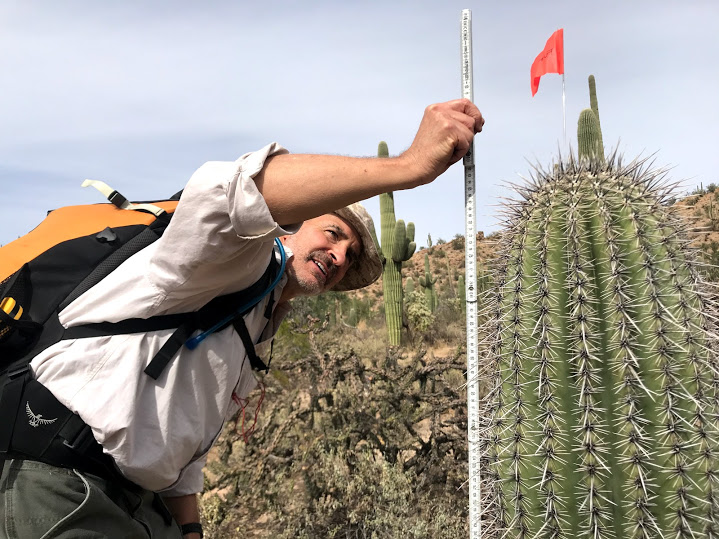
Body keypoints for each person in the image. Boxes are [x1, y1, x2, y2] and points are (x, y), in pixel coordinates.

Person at [0, 99, 484, 538]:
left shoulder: (259, 323)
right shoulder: (236, 260)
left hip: (134, 504)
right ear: (293, 224)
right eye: (332, 233)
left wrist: (190, 529)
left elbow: (185, 436)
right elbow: (227, 190)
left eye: (349, 254)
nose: (338, 255)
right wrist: (408, 166)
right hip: (59, 479)